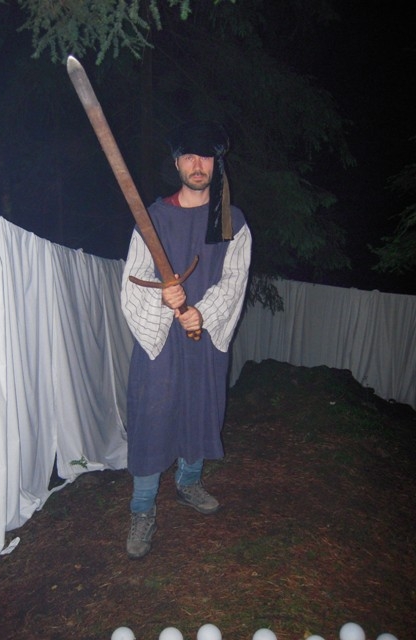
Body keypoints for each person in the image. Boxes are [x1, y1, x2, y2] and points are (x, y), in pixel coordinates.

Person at [120, 121, 252, 559]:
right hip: (160, 341)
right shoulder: (154, 218)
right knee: (152, 414)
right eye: (189, 157)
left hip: (204, 338)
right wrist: (164, 297)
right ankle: (142, 509)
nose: (198, 165)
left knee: (200, 407)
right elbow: (133, 279)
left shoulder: (229, 219)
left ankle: (188, 483)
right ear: (176, 163)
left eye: (206, 157)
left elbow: (234, 278)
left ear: (217, 163)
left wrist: (203, 312)